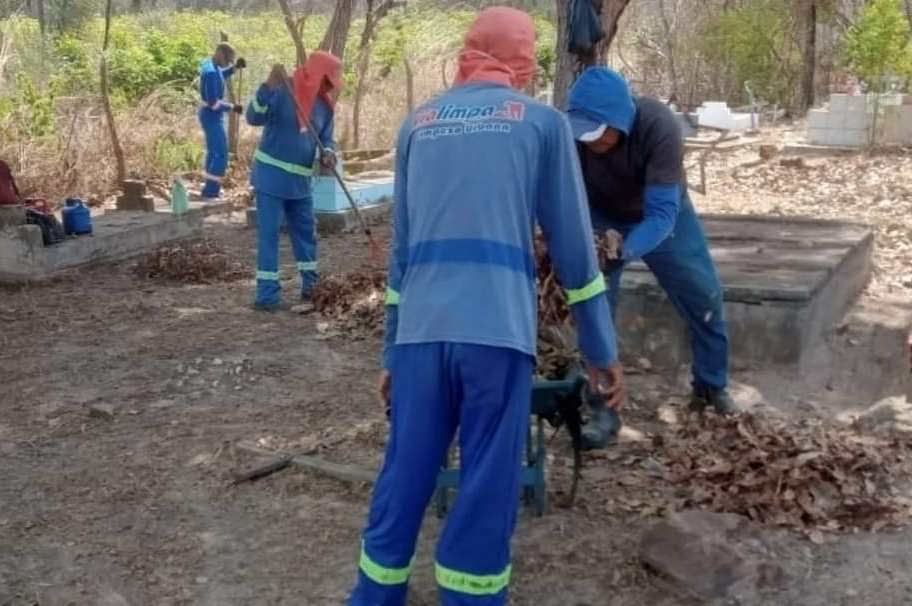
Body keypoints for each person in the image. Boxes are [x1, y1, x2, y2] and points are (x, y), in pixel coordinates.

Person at [346, 8, 622, 606]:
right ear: (520, 59)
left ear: (470, 52)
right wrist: (601, 349)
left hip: (420, 334)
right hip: (497, 336)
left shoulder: (417, 124)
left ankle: (373, 597)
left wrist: (392, 353)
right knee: (486, 487)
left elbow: (401, 257)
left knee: (404, 476)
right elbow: (575, 253)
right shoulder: (542, 124)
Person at [565, 66, 737, 415]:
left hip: (661, 215)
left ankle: (711, 386)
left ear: (621, 120)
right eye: (582, 133)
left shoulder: (658, 127)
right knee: (595, 306)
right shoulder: (568, 136)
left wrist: (622, 251)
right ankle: (603, 408)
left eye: (597, 133)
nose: (590, 142)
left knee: (703, 295)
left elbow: (661, 213)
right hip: (599, 215)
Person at [244, 51, 340, 310]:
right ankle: (267, 295)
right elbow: (253, 116)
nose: (329, 88)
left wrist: (329, 153)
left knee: (306, 234)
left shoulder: (324, 106)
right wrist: (267, 86)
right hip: (271, 177)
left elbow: (327, 138)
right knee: (269, 235)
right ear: (316, 75)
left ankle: (311, 287)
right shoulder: (282, 89)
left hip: (300, 183)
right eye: (327, 81)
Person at [198, 43, 246, 201]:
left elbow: (221, 75)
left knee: (213, 152)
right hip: (211, 115)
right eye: (228, 60)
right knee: (221, 154)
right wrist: (232, 107)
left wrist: (235, 68)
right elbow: (214, 104)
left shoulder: (212, 66)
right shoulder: (211, 72)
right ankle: (212, 191)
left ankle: (209, 187)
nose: (228, 63)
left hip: (210, 115)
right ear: (220, 54)